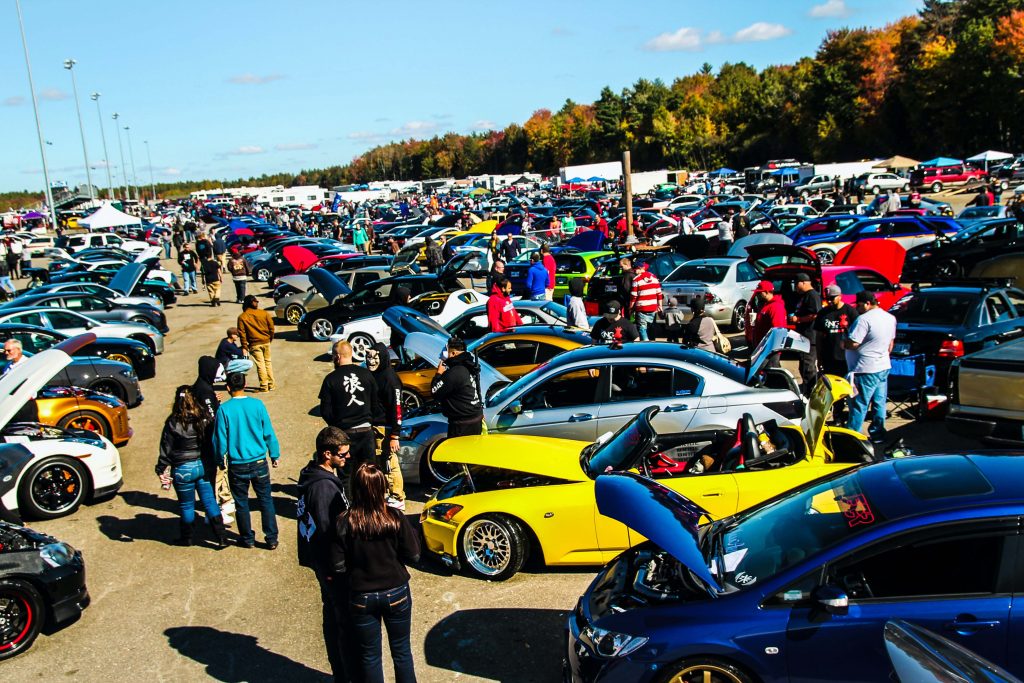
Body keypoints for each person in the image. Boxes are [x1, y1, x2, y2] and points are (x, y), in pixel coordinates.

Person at [330, 463, 420, 683]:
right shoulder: (395, 518)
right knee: (401, 652)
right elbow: (414, 555)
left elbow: (338, 565)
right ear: (382, 488)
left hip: (361, 595)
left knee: (369, 656)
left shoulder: (344, 521)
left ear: (355, 488)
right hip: (396, 590)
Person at [296, 426, 359, 682]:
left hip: (325, 564)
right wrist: (338, 568)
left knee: (336, 618)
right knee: (341, 623)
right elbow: (328, 533)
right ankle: (344, 674)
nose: (347, 458)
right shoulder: (323, 489)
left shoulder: (319, 478)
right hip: (332, 568)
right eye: (342, 455)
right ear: (326, 454)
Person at [214, 372, 281, 549]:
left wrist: (220, 459)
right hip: (259, 461)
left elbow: (220, 439)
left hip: (238, 465)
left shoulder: (224, 410)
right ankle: (271, 537)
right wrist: (274, 454)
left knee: (241, 502)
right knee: (265, 499)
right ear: (245, 385)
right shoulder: (257, 405)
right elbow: (268, 432)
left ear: (228, 388)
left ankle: (247, 537)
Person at [156, 386, 227, 548]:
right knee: (209, 501)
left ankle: (187, 537)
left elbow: (166, 447)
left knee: (187, 505)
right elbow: (212, 438)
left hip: (182, 469)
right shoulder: (203, 418)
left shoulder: (173, 422)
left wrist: (161, 468)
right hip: (202, 465)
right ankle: (222, 537)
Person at [320, 340, 381, 485]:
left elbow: (325, 411)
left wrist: (336, 426)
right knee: (369, 474)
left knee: (346, 476)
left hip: (344, 434)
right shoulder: (366, 375)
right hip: (366, 431)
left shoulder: (331, 379)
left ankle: (348, 506)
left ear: (337, 357)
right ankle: (370, 506)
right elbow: (376, 404)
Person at [843, 291, 897, 443]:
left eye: (859, 305)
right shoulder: (890, 318)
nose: (857, 308)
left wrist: (843, 343)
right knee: (879, 402)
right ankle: (878, 434)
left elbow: (854, 343)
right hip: (883, 366)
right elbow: (890, 345)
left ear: (867, 303)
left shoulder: (863, 320)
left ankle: (853, 438)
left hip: (865, 368)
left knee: (859, 404)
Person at [366, 343, 405, 509]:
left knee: (390, 463)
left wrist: (395, 434)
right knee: (381, 463)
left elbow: (397, 408)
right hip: (375, 427)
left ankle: (397, 497)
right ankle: (384, 494)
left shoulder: (390, 379)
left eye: (374, 358)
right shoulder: (374, 375)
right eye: (368, 357)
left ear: (382, 358)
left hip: (386, 428)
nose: (371, 361)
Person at [814, 284, 858, 420]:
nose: (830, 301)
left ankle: (849, 415)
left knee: (849, 389)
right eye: (828, 298)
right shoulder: (823, 313)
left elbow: (858, 335)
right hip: (829, 357)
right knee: (832, 389)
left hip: (846, 358)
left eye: (833, 298)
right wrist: (819, 358)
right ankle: (837, 415)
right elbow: (819, 338)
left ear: (840, 296)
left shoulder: (850, 312)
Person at [430, 337, 483, 438]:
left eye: (447, 351)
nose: (444, 354)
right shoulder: (468, 366)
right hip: (475, 419)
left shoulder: (455, 372)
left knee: (458, 452)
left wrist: (439, 373)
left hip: (462, 425)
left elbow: (434, 392)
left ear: (453, 354)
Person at [789, 273, 822, 394]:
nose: (795, 287)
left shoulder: (812, 296)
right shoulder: (804, 296)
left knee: (807, 368)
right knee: (802, 366)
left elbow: (815, 315)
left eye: (796, 284)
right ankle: (807, 390)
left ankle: (811, 393)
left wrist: (798, 319)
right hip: (803, 337)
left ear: (803, 282)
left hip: (810, 338)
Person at [237, 295, 275, 392]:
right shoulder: (264, 313)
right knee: (268, 363)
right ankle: (271, 384)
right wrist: (270, 338)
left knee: (260, 365)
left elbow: (242, 333)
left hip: (254, 343)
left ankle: (264, 386)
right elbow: (271, 327)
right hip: (266, 341)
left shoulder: (242, 317)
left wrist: (244, 346)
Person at [750, 280, 787, 353]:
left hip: (770, 350)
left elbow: (778, 330)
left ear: (766, 292)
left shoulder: (776, 307)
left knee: (771, 365)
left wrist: (773, 350)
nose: (757, 294)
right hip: (762, 348)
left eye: (759, 292)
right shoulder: (765, 305)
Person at [630, 263, 663, 341]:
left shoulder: (636, 279)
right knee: (651, 328)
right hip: (653, 308)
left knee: (642, 328)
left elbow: (633, 296)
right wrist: (660, 306)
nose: (635, 271)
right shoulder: (654, 278)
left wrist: (630, 308)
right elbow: (659, 294)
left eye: (636, 269)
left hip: (641, 308)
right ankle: (652, 342)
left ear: (642, 268)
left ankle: (646, 343)